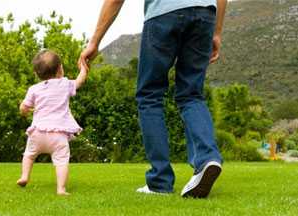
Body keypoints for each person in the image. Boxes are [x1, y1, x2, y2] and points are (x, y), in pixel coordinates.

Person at [79, 0, 227, 198]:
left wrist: (95, 41)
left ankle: (160, 181)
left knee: (150, 95)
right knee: (192, 94)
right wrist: (216, 32)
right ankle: (207, 158)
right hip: (204, 14)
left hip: (163, 14)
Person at [17, 50, 87, 195]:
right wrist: (84, 68)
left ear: (36, 74)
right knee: (61, 162)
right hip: (58, 135)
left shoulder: (33, 89)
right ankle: (61, 189)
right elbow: (80, 81)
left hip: (37, 133)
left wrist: (24, 110)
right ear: (60, 69)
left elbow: (24, 108)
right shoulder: (65, 84)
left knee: (29, 155)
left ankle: (24, 176)